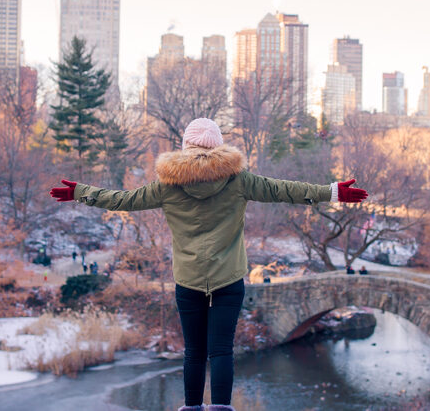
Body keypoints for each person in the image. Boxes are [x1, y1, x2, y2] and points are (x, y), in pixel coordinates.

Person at [50, 117, 368, 411]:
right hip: (228, 279)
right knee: (221, 351)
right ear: (217, 146)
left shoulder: (167, 185)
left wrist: (81, 192)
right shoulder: (238, 180)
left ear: (187, 146)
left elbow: (122, 200)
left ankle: (191, 407)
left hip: (188, 280)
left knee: (194, 352)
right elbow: (283, 190)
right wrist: (331, 191)